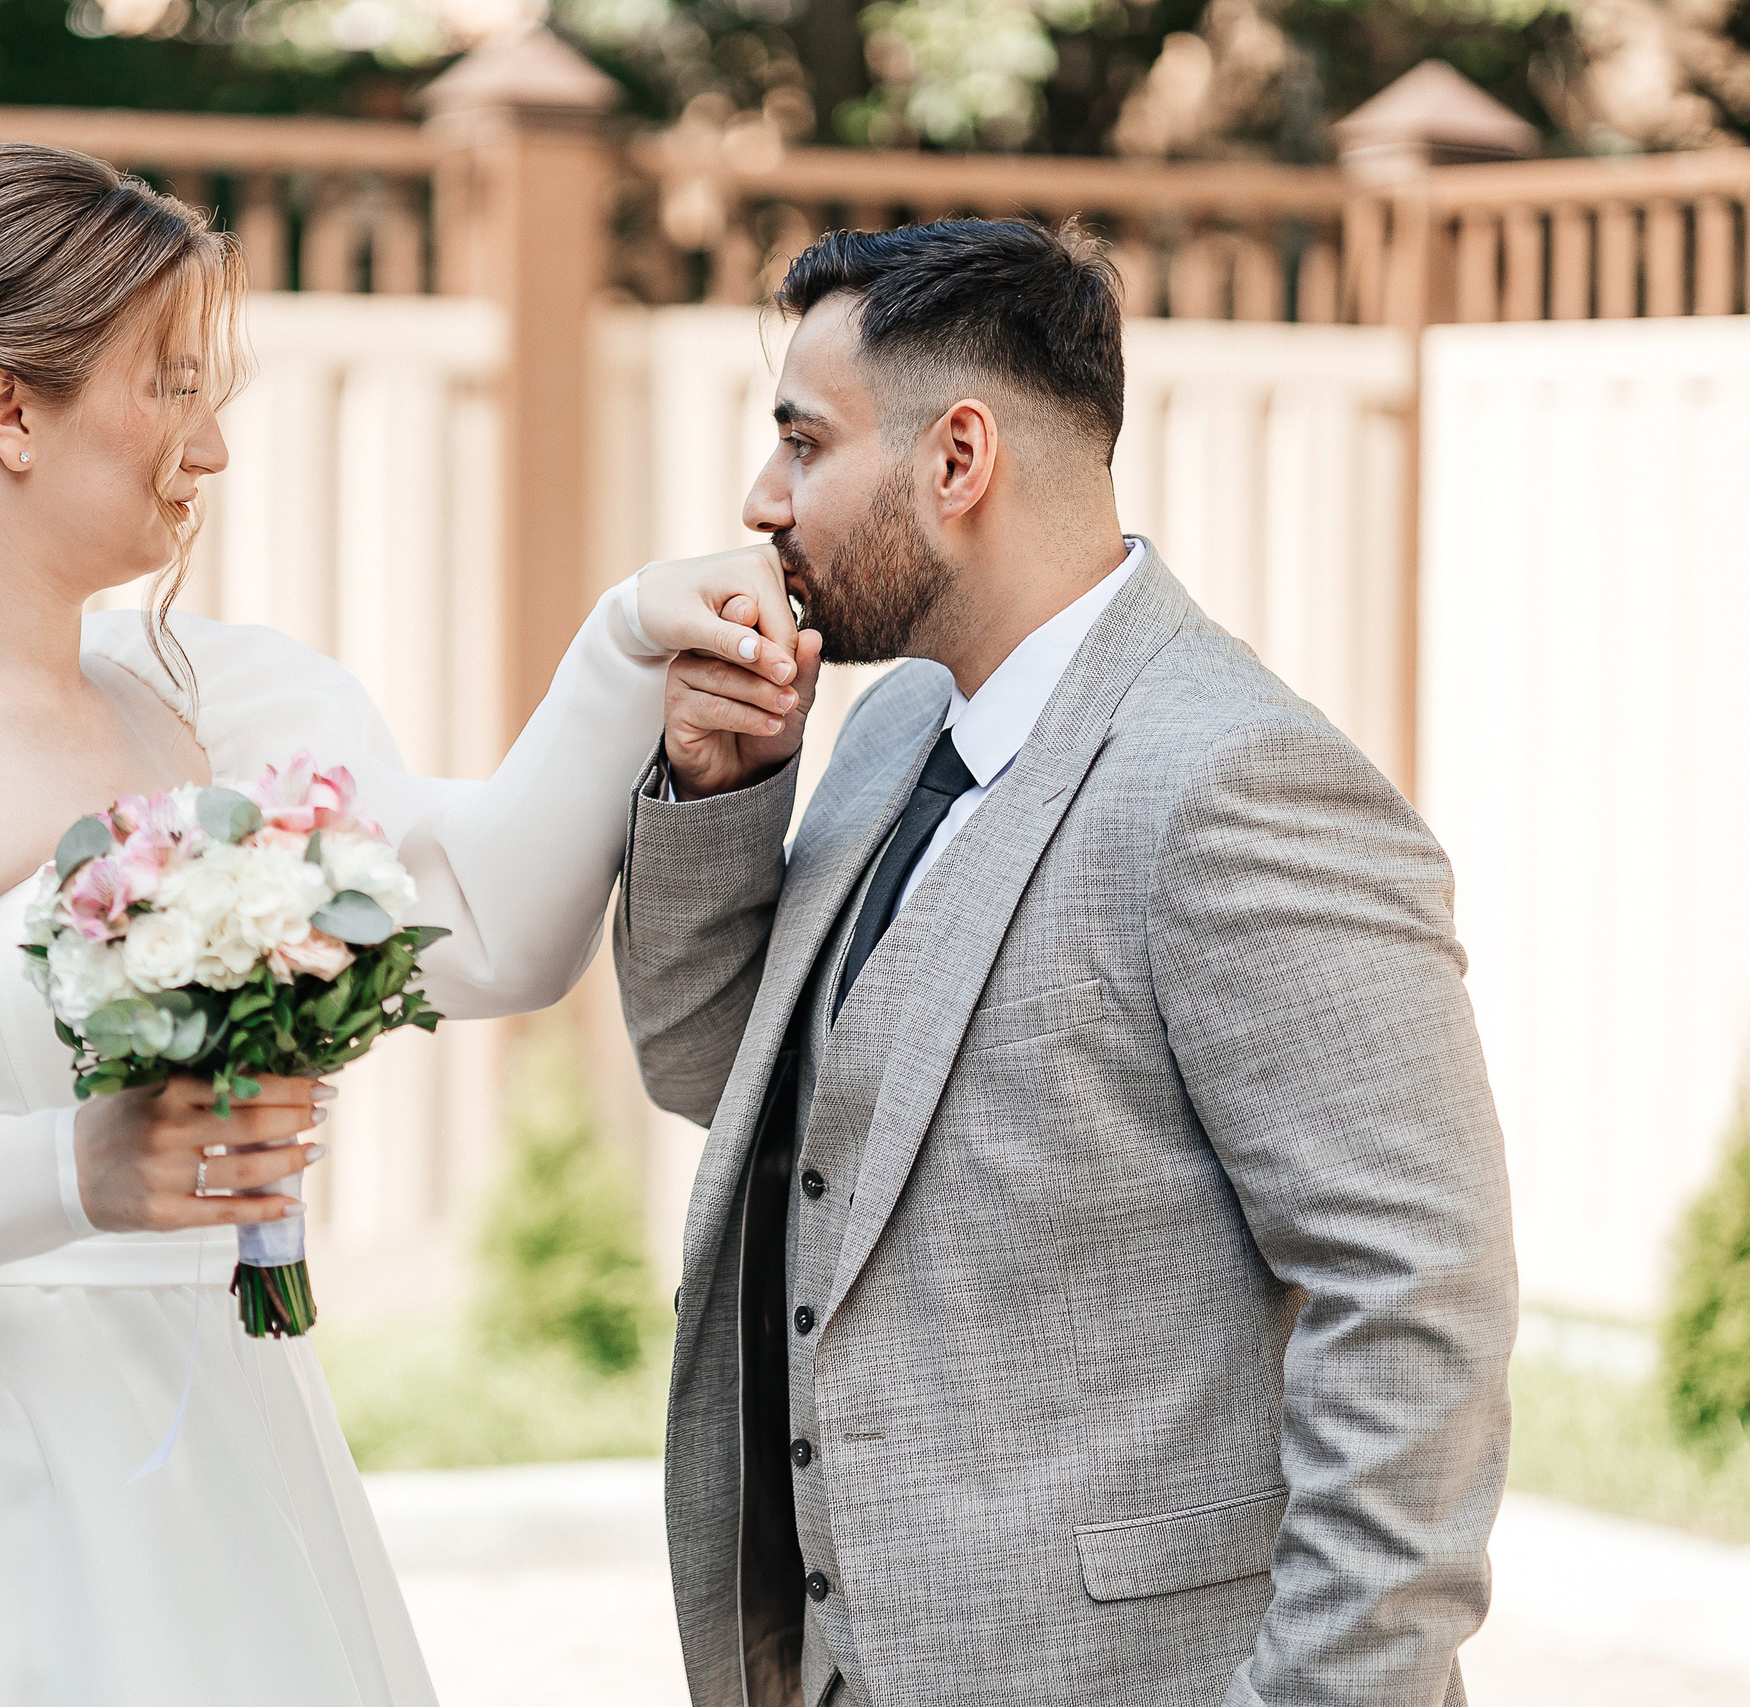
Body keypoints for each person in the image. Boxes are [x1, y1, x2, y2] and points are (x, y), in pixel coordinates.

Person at [0, 143, 796, 1707]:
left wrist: (627, 649)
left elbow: (488, 930)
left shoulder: (208, 707)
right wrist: (74, 1171)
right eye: (168, 387)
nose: (209, 447)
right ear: (11, 411)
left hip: (224, 1460)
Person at [613, 220, 1517, 1707]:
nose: (764, 502)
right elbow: (719, 1077)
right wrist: (721, 794)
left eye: (803, 442)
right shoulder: (897, 728)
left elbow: (1417, 1294)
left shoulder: (1238, 781)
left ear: (956, 458)